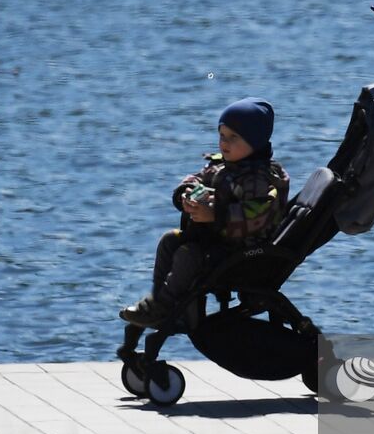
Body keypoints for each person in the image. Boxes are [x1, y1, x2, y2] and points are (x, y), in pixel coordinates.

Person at [120, 98, 290, 328]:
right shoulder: (223, 166)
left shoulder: (260, 180)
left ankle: (167, 308)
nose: (224, 143)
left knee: (188, 255)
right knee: (169, 241)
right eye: (222, 136)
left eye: (233, 138)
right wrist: (187, 193)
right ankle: (160, 300)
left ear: (255, 142)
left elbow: (255, 218)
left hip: (243, 251)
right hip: (215, 240)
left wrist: (216, 215)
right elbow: (199, 178)